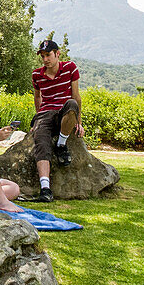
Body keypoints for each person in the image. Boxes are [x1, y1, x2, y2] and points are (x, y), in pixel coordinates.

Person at [29, 39, 84, 203]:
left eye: (48, 55)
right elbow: (37, 98)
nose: (45, 59)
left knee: (72, 104)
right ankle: (45, 189)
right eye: (43, 56)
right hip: (45, 114)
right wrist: (38, 119)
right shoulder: (36, 75)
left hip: (64, 111)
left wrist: (79, 123)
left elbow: (76, 97)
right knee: (41, 142)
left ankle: (61, 144)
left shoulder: (70, 68)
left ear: (57, 54)